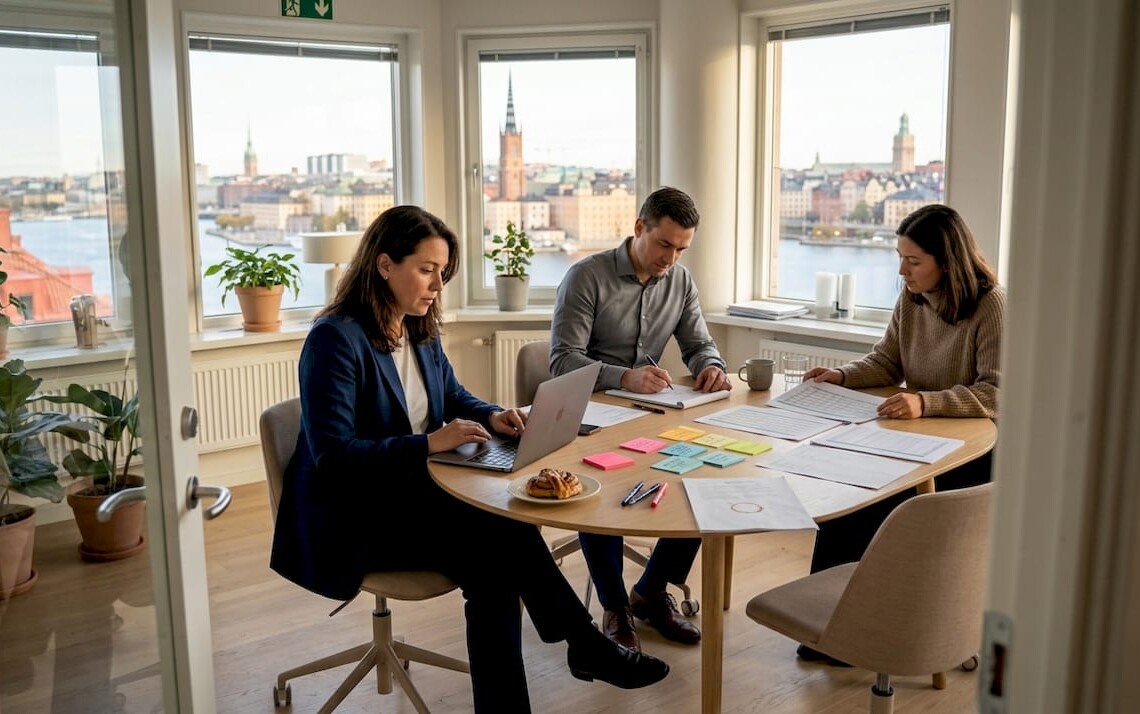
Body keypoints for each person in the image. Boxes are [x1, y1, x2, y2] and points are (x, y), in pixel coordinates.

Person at [270, 205, 669, 712]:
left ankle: (576, 654)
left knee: (495, 565)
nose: (437, 284)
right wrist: (429, 444)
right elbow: (333, 458)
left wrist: (494, 414)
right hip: (353, 514)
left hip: (415, 493)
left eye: (442, 272)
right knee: (502, 535)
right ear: (384, 264)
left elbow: (454, 396)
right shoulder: (335, 339)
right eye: (425, 269)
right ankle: (585, 645)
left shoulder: (417, 327)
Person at [797, 203, 1004, 664]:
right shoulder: (912, 299)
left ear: (947, 263)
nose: (902, 270)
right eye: (899, 257)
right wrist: (843, 376)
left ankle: (878, 626)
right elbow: (886, 361)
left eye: (913, 261)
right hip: (917, 437)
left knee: (888, 513)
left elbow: (996, 392)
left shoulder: (990, 305)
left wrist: (925, 401)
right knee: (845, 502)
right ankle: (831, 629)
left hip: (974, 449)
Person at [550, 186, 732, 651]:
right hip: (589, 414)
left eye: (681, 249)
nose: (670, 259)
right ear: (639, 229)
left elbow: (698, 344)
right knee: (598, 494)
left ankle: (651, 591)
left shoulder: (681, 282)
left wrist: (711, 366)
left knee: (704, 477)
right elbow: (562, 361)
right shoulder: (585, 277)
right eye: (663, 244)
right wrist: (624, 377)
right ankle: (614, 606)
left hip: (652, 415)